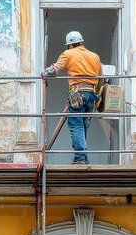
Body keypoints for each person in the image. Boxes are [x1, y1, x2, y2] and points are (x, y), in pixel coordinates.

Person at [41, 31, 101, 165]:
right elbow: (101, 76)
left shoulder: (68, 54)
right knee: (84, 125)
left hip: (78, 94)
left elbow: (54, 70)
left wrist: (43, 73)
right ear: (81, 42)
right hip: (92, 94)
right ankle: (83, 158)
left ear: (70, 45)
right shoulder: (94, 56)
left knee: (76, 126)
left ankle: (79, 158)